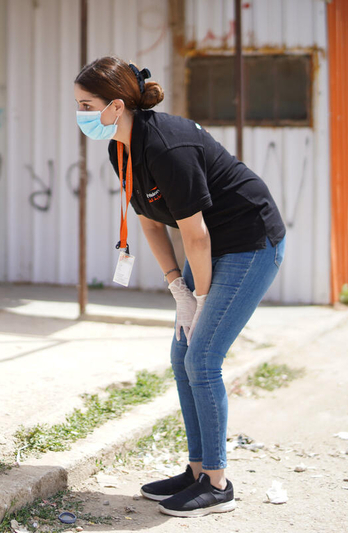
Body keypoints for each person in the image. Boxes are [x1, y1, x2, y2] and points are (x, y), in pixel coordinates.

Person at [74, 57, 286, 517]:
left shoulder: (168, 147)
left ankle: (217, 482)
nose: (80, 114)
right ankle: (195, 471)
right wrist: (177, 289)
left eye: (86, 105)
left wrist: (203, 300)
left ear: (115, 106)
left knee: (203, 356)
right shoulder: (121, 148)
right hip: (210, 247)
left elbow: (195, 235)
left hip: (249, 242)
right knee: (181, 353)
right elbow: (151, 224)